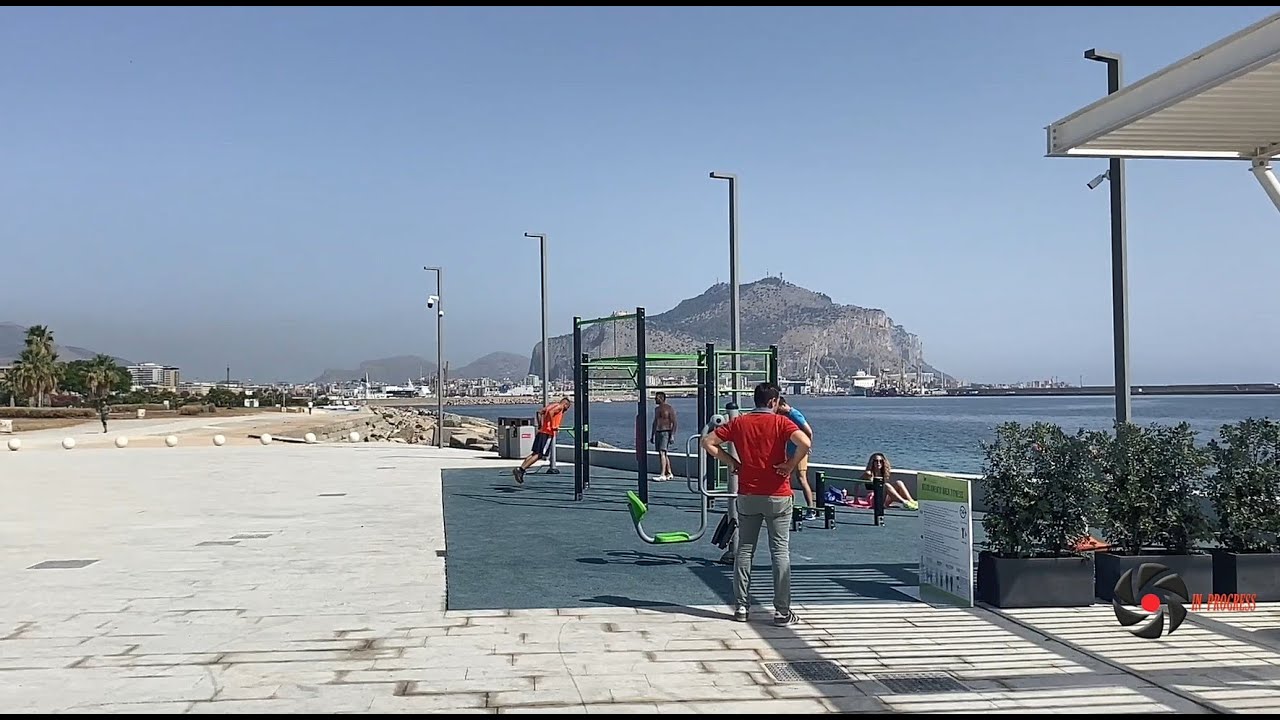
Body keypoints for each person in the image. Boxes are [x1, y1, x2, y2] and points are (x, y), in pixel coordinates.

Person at [702, 382, 811, 626]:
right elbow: (805, 441)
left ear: (755, 400)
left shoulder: (739, 422)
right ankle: (782, 611)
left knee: (744, 551)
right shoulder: (781, 423)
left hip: (748, 494)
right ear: (774, 402)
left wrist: (731, 461)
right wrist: (790, 465)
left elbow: (708, 442)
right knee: (779, 552)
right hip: (778, 495)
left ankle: (741, 607)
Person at [513, 396, 571, 484]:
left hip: (542, 431)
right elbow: (551, 413)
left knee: (534, 453)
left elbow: (539, 412)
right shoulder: (560, 407)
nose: (566, 410)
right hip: (547, 433)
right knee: (540, 454)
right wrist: (553, 426)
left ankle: (521, 469)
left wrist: (540, 424)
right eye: (568, 407)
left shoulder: (551, 405)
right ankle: (521, 470)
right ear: (565, 404)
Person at [775, 397, 816, 519]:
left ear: (782, 405)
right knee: (785, 477)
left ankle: (810, 509)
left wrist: (807, 445)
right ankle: (788, 506)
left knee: (801, 478)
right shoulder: (786, 416)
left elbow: (808, 431)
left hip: (799, 451)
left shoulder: (794, 415)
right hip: (790, 451)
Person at [651, 392, 677, 481]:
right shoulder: (656, 409)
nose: (655, 399)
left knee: (662, 452)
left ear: (661, 398)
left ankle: (662, 474)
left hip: (666, 432)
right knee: (663, 453)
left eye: (656, 398)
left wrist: (672, 435)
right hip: (658, 432)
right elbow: (655, 422)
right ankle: (669, 473)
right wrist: (652, 435)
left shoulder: (669, 408)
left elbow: (674, 422)